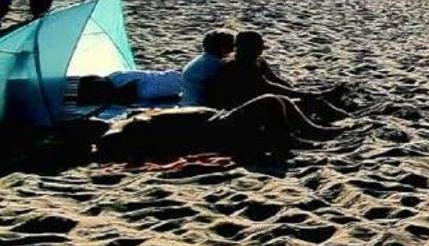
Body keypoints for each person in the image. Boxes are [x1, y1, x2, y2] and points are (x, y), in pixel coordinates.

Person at [72, 95, 344, 162]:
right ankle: (290, 142)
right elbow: (108, 147)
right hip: (213, 130)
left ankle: (312, 132)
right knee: (270, 102)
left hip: (215, 121)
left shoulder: (124, 119)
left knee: (281, 101)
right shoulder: (117, 131)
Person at [212, 31, 354, 124]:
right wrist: (306, 94)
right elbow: (267, 86)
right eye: (257, 45)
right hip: (242, 108)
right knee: (311, 102)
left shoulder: (257, 60)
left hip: (262, 99)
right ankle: (344, 121)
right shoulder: (235, 65)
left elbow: (275, 79)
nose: (261, 48)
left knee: (310, 100)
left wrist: (294, 89)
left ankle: (342, 115)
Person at [180, 30, 235, 107]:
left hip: (187, 103)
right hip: (201, 107)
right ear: (224, 49)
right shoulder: (215, 64)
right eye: (232, 46)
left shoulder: (200, 60)